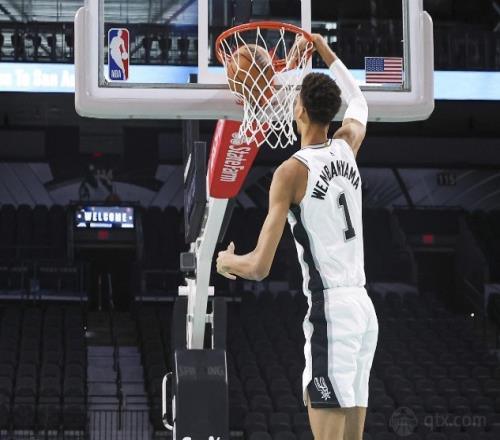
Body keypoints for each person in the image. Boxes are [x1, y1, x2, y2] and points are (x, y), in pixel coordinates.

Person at [216, 34, 378, 440]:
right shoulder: (346, 146)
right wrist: (327, 52)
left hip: (332, 314)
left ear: (300, 110)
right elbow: (360, 102)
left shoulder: (291, 172)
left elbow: (257, 267)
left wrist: (224, 262)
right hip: (363, 309)